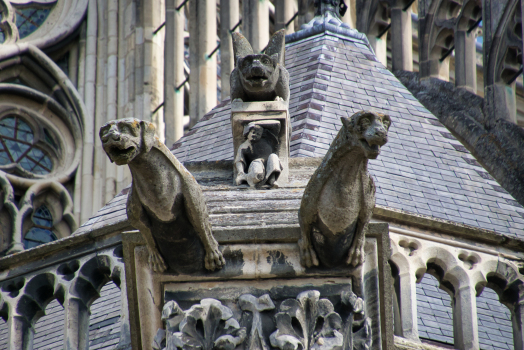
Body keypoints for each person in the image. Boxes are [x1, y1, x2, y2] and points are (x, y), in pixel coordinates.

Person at [235, 121, 283, 188]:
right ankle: (250, 177)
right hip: (257, 163)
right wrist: (241, 173)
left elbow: (276, 125)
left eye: (258, 134)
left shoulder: (267, 140)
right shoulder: (244, 146)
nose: (255, 135)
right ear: (247, 133)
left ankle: (271, 180)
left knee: (273, 157)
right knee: (257, 173)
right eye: (253, 132)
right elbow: (239, 161)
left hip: (268, 163)